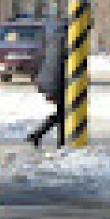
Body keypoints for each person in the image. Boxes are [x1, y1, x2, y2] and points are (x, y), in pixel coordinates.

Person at [26, 20, 67, 148]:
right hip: (54, 83)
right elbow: (57, 67)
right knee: (63, 112)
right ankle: (54, 140)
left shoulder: (55, 41)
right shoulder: (62, 44)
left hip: (49, 81)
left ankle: (38, 135)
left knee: (62, 111)